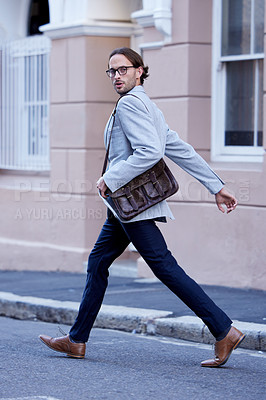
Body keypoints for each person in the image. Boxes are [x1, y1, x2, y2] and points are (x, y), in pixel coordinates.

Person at [39, 47, 245, 367]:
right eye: (112, 72)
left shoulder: (131, 105)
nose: (117, 76)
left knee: (163, 267)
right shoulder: (149, 106)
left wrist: (110, 177)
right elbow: (180, 148)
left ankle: (223, 329)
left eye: (123, 70)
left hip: (132, 205)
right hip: (122, 207)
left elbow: (150, 152)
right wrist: (216, 186)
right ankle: (77, 340)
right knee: (98, 262)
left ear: (139, 70)